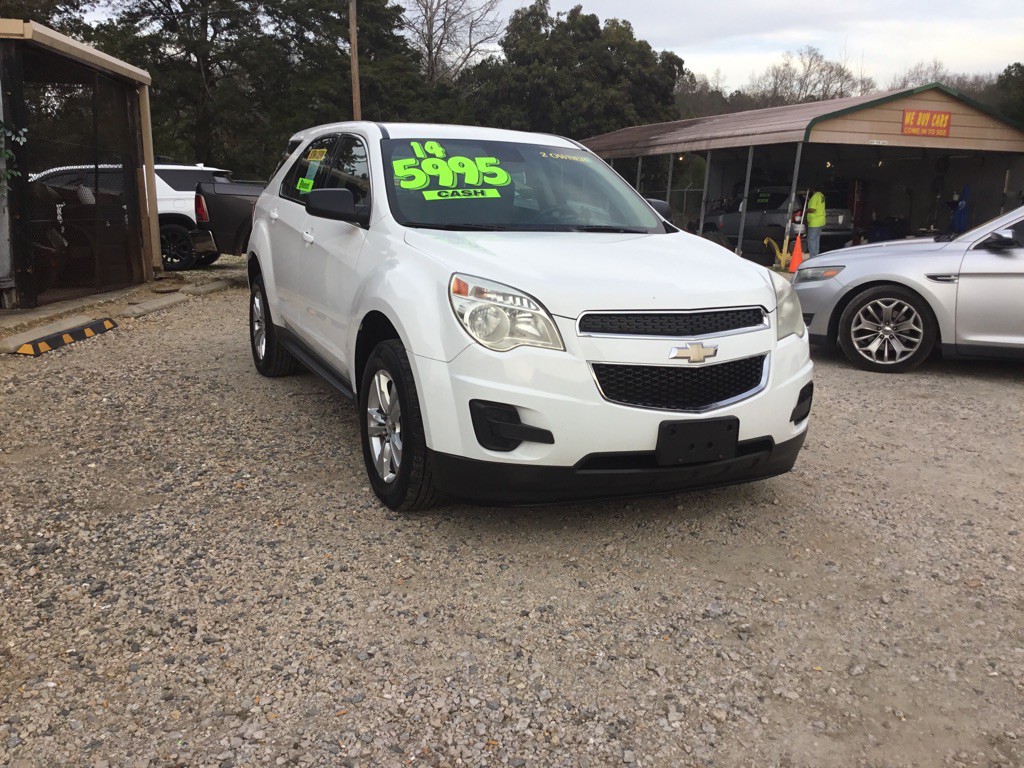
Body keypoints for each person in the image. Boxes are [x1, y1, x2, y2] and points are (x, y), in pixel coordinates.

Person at [805, 185, 826, 258]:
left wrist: (805, 210)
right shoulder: (821, 195)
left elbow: (812, 209)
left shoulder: (815, 197)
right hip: (821, 221)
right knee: (816, 239)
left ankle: (813, 256)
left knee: (811, 239)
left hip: (815, 221)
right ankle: (816, 255)